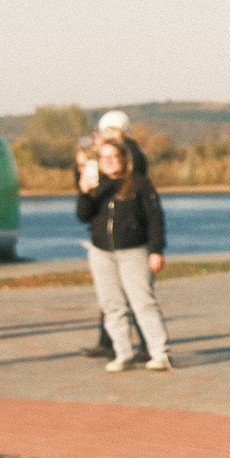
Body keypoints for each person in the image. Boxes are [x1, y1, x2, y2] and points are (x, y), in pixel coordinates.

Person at [76, 134, 173, 372]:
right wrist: (85, 192)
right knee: (112, 305)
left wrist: (156, 250)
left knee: (143, 302)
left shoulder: (139, 184)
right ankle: (123, 353)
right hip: (102, 252)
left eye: (113, 156)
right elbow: (83, 216)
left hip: (133, 251)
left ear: (124, 158)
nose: (107, 161)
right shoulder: (97, 185)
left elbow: (155, 219)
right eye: (103, 157)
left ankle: (160, 353)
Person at [79, 114, 150, 360]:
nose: (107, 135)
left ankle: (149, 345)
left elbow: (137, 170)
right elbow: (89, 189)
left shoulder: (133, 155)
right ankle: (108, 343)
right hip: (105, 235)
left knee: (137, 297)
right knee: (110, 298)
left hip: (128, 237)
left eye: (112, 130)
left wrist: (122, 145)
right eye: (104, 130)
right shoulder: (102, 158)